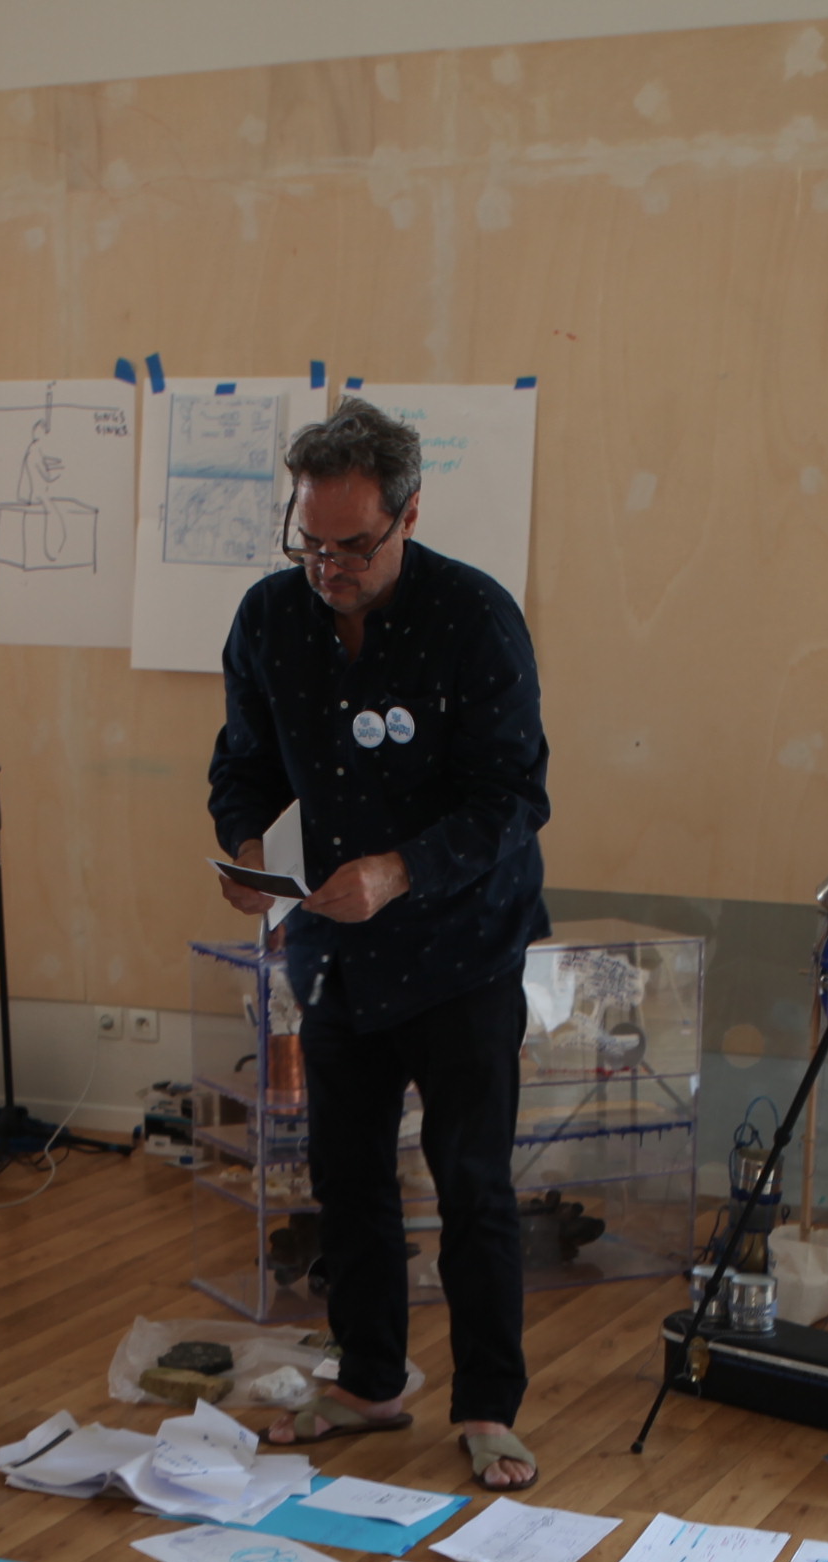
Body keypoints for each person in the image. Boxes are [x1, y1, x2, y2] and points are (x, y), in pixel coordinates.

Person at [208, 397, 554, 1493]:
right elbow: (243, 761)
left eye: (353, 547)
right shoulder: (271, 619)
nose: (329, 569)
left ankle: (489, 1407)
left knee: (472, 1184)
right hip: (337, 953)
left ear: (409, 515)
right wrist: (243, 845)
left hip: (464, 948)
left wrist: (399, 870)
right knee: (346, 1176)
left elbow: (514, 798)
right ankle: (368, 1380)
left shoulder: (475, 617)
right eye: (309, 544)